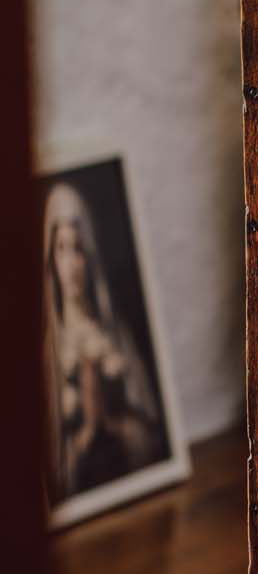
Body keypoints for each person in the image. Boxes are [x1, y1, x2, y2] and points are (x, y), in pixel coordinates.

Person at [42, 179, 163, 504]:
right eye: (61, 249)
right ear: (51, 259)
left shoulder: (115, 333)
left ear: (90, 256)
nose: (71, 264)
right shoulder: (49, 351)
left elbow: (151, 435)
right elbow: (52, 467)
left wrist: (118, 427)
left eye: (78, 250)